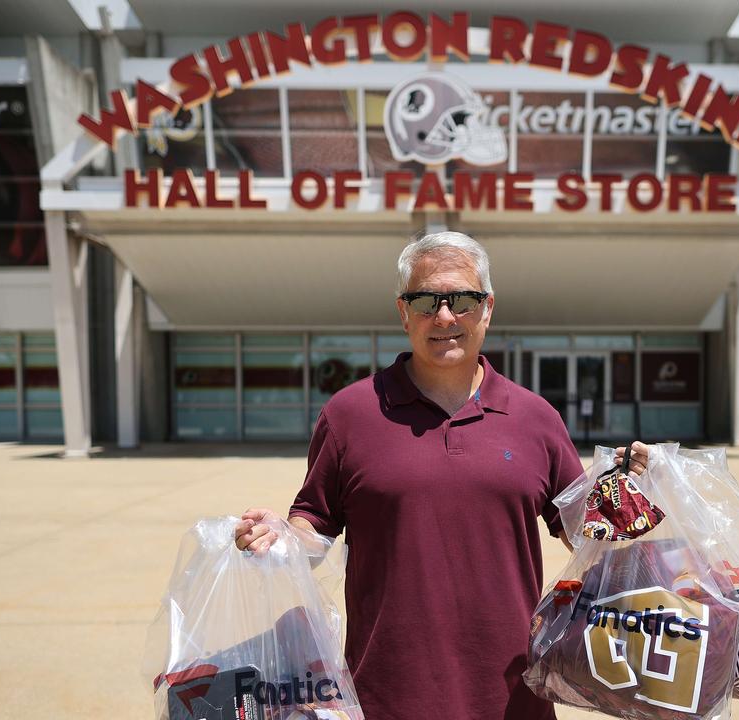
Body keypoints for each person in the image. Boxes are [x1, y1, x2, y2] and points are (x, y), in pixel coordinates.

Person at [235, 231, 647, 720]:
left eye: (463, 300)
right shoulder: (350, 414)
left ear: (487, 308)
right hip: (385, 699)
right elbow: (314, 526)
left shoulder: (535, 418)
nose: (445, 317)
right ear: (402, 311)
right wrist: (280, 535)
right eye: (426, 300)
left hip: (514, 702)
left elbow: (585, 534)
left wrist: (625, 489)